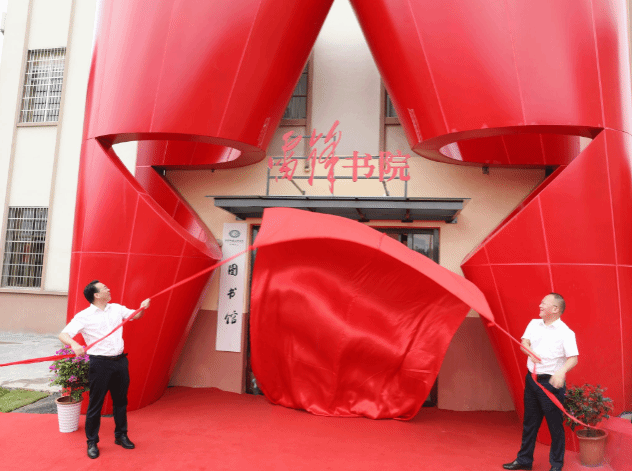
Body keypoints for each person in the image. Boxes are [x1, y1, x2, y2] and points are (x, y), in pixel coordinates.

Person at [59, 280, 150, 459]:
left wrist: (142, 307)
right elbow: (63, 334)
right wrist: (74, 344)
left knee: (121, 401)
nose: (108, 289)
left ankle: (121, 435)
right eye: (104, 288)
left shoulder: (116, 308)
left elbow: (136, 315)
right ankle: (92, 441)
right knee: (96, 404)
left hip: (120, 362)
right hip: (99, 364)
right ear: (96, 295)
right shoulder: (84, 316)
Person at [503, 293, 578, 471]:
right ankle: (524, 460)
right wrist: (530, 352)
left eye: (544, 303)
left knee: (555, 426)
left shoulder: (566, 333)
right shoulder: (534, 324)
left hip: (551, 385)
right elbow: (524, 343)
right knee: (530, 423)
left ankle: (556, 465)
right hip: (532, 380)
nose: (540, 305)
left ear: (555, 309)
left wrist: (561, 372)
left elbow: (573, 358)